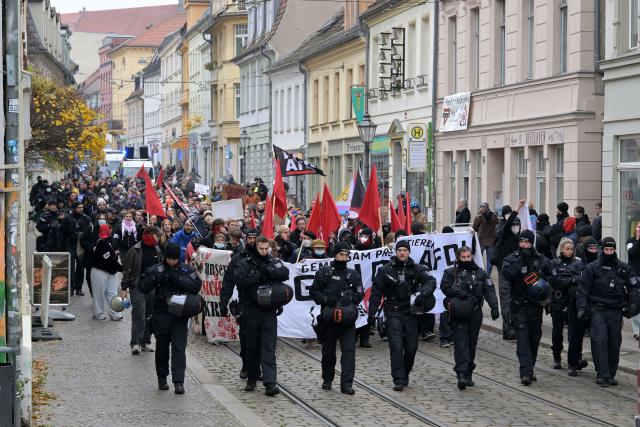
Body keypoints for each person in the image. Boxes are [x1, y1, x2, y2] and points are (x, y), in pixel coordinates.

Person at [368, 240, 436, 391]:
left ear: (409, 252)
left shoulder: (417, 269)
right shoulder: (386, 270)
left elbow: (431, 281)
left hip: (411, 313)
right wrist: (371, 315)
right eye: (400, 250)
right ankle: (398, 379)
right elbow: (376, 293)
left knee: (411, 348)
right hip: (393, 312)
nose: (402, 253)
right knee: (396, 346)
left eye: (405, 250)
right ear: (396, 252)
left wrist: (422, 295)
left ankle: (405, 373)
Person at [139, 242, 201, 394]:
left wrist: (176, 279)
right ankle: (162, 377)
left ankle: (179, 381)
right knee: (162, 347)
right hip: (162, 313)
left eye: (174, 259)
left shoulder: (186, 269)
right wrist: (155, 278)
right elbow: (142, 286)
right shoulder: (157, 269)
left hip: (180, 315)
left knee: (179, 347)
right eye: (169, 259)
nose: (172, 262)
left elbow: (196, 286)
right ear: (164, 257)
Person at [578, 237, 640, 386]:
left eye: (611, 250)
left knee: (614, 342)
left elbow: (634, 287)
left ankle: (610, 373)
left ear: (615, 250)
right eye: (606, 250)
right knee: (599, 341)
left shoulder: (623, 268)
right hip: (597, 309)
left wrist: (634, 305)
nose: (609, 252)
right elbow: (582, 290)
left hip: (615, 310)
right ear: (602, 250)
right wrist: (582, 307)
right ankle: (602, 373)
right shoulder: (592, 268)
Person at [234, 235, 290, 396]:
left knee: (268, 346)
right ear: (256, 247)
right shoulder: (246, 262)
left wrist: (269, 271)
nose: (264, 252)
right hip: (251, 310)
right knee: (252, 347)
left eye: (267, 249)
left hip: (269, 311)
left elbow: (284, 273)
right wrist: (257, 275)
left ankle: (270, 382)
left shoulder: (273, 261)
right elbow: (240, 281)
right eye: (261, 249)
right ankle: (252, 378)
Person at [441, 246, 499, 389]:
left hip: (475, 312)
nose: (466, 259)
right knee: (461, 343)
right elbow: (444, 287)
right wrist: (456, 292)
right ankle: (461, 373)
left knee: (471, 344)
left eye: (468, 257)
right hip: (458, 312)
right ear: (458, 258)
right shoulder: (451, 272)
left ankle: (468, 372)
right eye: (463, 257)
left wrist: (494, 307)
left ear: (472, 256)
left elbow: (489, 290)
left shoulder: (480, 273)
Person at [500, 229, 553, 385]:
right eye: (522, 242)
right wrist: (506, 307)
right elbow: (506, 280)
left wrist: (544, 283)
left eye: (527, 242)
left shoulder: (540, 259)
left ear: (532, 243)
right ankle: (526, 371)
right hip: (519, 305)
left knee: (534, 338)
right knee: (522, 339)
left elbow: (552, 275)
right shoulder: (511, 259)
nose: (524, 245)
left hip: (535, 306)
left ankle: (530, 366)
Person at [310, 241, 364, 394]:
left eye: (347, 255)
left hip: (347, 320)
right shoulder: (324, 273)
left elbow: (360, 293)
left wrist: (352, 299)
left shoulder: (353, 274)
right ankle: (327, 379)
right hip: (329, 320)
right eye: (341, 254)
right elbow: (314, 292)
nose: (344, 257)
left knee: (349, 352)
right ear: (335, 254)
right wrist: (327, 300)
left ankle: (347, 384)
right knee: (328, 352)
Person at [220, 228, 259, 379]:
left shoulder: (265, 257)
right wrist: (224, 302)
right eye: (249, 238)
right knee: (245, 337)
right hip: (245, 303)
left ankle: (259, 368)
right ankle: (246, 365)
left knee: (261, 339)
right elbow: (228, 281)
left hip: (262, 304)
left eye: (254, 238)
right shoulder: (238, 258)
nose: (251, 241)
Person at [121, 226, 163, 354]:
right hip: (137, 286)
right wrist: (124, 288)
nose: (159, 239)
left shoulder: (158, 249)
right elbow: (127, 270)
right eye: (157, 236)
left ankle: (146, 341)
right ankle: (135, 343)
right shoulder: (135, 249)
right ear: (150, 235)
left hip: (152, 287)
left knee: (149, 315)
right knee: (139, 314)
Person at [548, 238, 582, 370]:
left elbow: (580, 280)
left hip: (572, 301)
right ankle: (557, 356)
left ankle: (574, 358)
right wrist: (572, 280)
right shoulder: (555, 263)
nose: (570, 251)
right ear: (562, 249)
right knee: (557, 332)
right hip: (558, 301)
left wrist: (572, 280)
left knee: (574, 333)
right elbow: (558, 282)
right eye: (567, 249)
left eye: (571, 249)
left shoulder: (577, 263)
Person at [90, 224, 123, 320]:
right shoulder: (101, 243)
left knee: (112, 293)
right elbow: (108, 258)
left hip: (110, 271)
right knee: (99, 293)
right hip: (100, 271)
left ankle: (114, 313)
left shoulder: (108, 242)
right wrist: (120, 267)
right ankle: (98, 313)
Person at [62, 201, 92, 296]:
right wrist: (62, 246)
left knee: (80, 268)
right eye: (79, 207)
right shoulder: (67, 218)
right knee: (70, 267)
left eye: (82, 207)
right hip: (71, 245)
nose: (81, 209)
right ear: (74, 208)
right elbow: (62, 233)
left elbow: (89, 232)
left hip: (82, 246)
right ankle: (70, 288)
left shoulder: (86, 218)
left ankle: (79, 288)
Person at [472, 203, 498, 275]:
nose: (480, 208)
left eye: (481, 207)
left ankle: (479, 273)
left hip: (481, 241)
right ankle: (488, 275)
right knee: (490, 260)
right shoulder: (494, 216)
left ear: (483, 208)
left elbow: (474, 229)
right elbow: (497, 224)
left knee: (478, 258)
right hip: (491, 241)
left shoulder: (479, 217)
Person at [627, 223, 640, 341]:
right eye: (638, 227)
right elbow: (632, 253)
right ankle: (637, 331)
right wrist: (637, 239)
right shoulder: (630, 241)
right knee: (635, 302)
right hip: (635, 276)